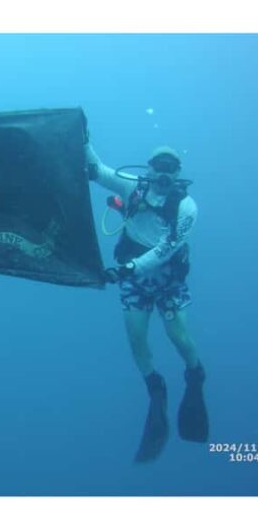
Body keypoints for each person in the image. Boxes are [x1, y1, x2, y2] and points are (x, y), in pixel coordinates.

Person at [85, 136, 209, 461]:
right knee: (136, 339)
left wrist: (129, 269)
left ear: (178, 171)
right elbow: (98, 170)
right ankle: (155, 388)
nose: (164, 172)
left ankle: (194, 374)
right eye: (159, 166)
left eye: (171, 167)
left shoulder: (187, 207)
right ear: (150, 168)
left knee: (178, 335)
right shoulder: (133, 188)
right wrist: (82, 137)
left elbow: (168, 247)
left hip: (166, 278)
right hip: (134, 278)